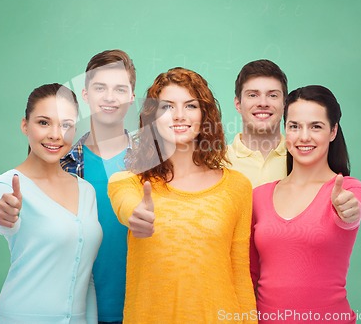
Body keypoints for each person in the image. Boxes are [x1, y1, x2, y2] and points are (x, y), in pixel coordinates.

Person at [108, 67, 257, 324]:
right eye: (167, 107)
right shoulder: (129, 183)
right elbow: (127, 205)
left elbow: (240, 276)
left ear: (204, 116)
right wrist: (136, 215)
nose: (179, 116)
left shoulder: (238, 187)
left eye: (190, 106)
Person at [250, 85, 361, 324]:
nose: (304, 137)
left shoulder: (347, 189)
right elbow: (251, 274)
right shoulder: (258, 197)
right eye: (294, 126)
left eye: (316, 126)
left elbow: (351, 213)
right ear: (286, 130)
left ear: (333, 131)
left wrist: (349, 212)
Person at [0, 83, 102, 323]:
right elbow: (4, 221)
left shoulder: (87, 191)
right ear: (24, 125)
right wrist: (6, 216)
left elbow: (85, 273)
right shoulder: (6, 185)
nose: (55, 134)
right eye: (43, 122)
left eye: (66, 125)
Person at [61, 50, 136, 324]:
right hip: (77, 311)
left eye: (119, 89)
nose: (109, 97)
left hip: (142, 309)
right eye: (100, 87)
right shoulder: (62, 164)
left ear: (132, 97)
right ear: (85, 95)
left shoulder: (155, 166)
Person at [227, 59, 288, 188]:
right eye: (253, 95)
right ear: (238, 104)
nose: (263, 103)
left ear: (284, 104)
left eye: (272, 95)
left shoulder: (301, 158)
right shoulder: (217, 162)